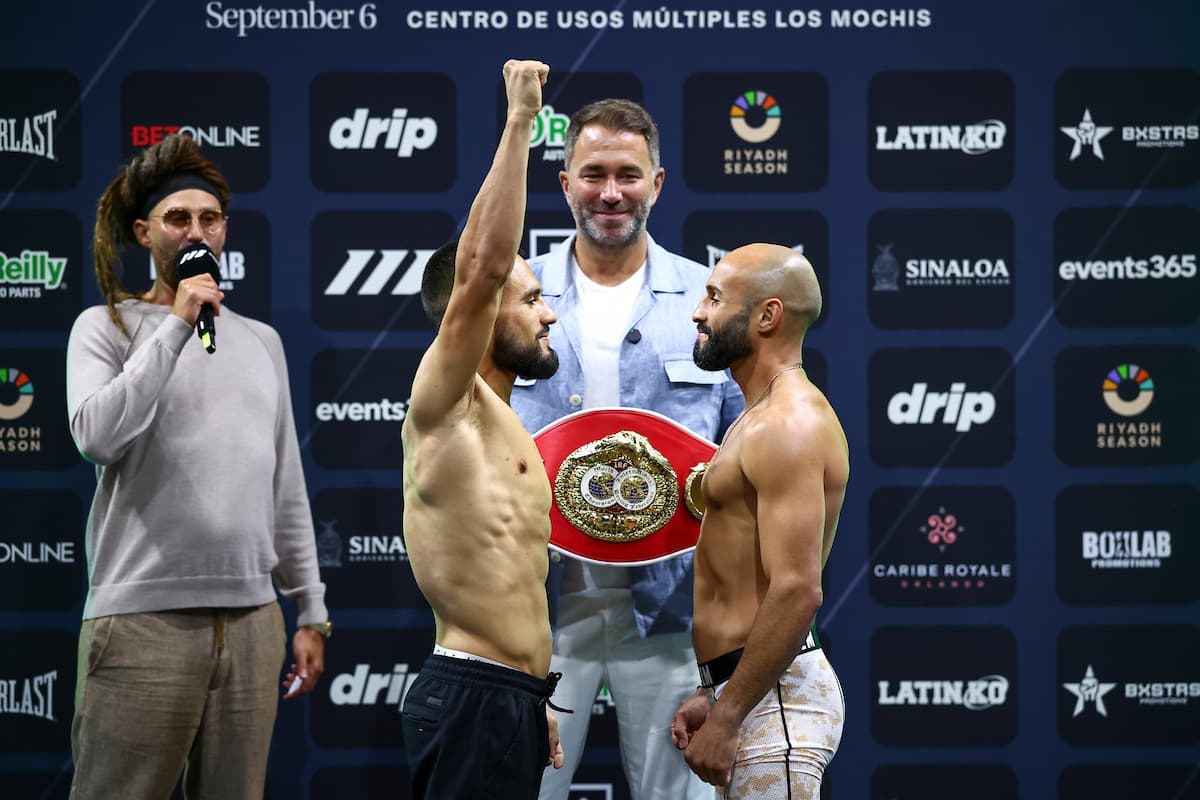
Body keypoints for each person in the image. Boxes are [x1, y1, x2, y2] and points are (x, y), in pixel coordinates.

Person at [65, 133, 330, 800]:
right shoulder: (106, 327)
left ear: (225, 230)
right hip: (143, 621)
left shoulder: (262, 341)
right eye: (178, 219)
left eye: (208, 219)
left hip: (252, 623)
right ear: (143, 231)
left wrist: (309, 611)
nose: (195, 231)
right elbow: (97, 436)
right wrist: (178, 324)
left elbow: (285, 488)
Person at [511, 98, 744, 800]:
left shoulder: (709, 299)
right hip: (537, 610)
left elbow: (747, 451)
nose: (610, 192)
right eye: (592, 173)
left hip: (672, 613)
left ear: (658, 183)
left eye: (627, 174)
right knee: (522, 789)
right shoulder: (514, 294)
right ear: (563, 183)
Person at [399, 59, 566, 800]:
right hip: (472, 696)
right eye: (530, 299)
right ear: (481, 308)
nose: (548, 313)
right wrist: (521, 119)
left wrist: (532, 700)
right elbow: (485, 264)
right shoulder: (444, 402)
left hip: (509, 701)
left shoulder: (505, 421)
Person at [670, 243, 847, 798]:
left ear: (768, 316)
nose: (699, 312)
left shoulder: (787, 423)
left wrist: (729, 715)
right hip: (755, 690)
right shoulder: (759, 414)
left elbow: (796, 589)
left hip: (777, 703)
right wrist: (715, 693)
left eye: (715, 298)